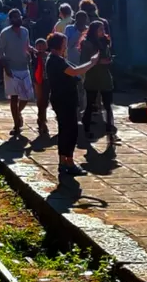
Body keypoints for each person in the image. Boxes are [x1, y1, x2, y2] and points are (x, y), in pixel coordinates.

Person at [45, 33, 98, 179]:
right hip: (64, 100)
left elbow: (74, 69)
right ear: (59, 45)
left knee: (65, 130)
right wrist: (92, 62)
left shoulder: (57, 59)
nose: (66, 46)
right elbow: (75, 71)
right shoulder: (56, 61)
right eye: (64, 43)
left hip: (63, 99)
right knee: (70, 131)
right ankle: (68, 161)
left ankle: (64, 161)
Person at [0, 8, 33, 137]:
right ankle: (16, 125)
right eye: (15, 17)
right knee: (14, 97)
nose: (18, 19)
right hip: (11, 68)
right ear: (11, 19)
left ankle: (18, 114)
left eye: (19, 17)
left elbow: (27, 46)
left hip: (24, 67)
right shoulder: (5, 33)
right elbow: (0, 51)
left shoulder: (25, 31)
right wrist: (5, 67)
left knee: (27, 96)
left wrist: (33, 51)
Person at [79, 19, 117, 143]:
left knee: (108, 104)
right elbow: (84, 60)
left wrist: (109, 60)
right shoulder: (87, 43)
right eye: (100, 29)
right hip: (92, 75)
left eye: (103, 29)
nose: (103, 31)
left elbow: (108, 55)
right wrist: (99, 61)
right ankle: (86, 128)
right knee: (91, 104)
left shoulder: (105, 41)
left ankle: (109, 129)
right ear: (94, 30)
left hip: (105, 75)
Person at [32, 36, 49, 137]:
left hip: (47, 80)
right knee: (40, 100)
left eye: (43, 45)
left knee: (45, 100)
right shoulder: (34, 55)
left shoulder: (49, 55)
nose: (41, 47)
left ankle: (42, 118)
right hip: (38, 80)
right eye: (38, 45)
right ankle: (41, 120)